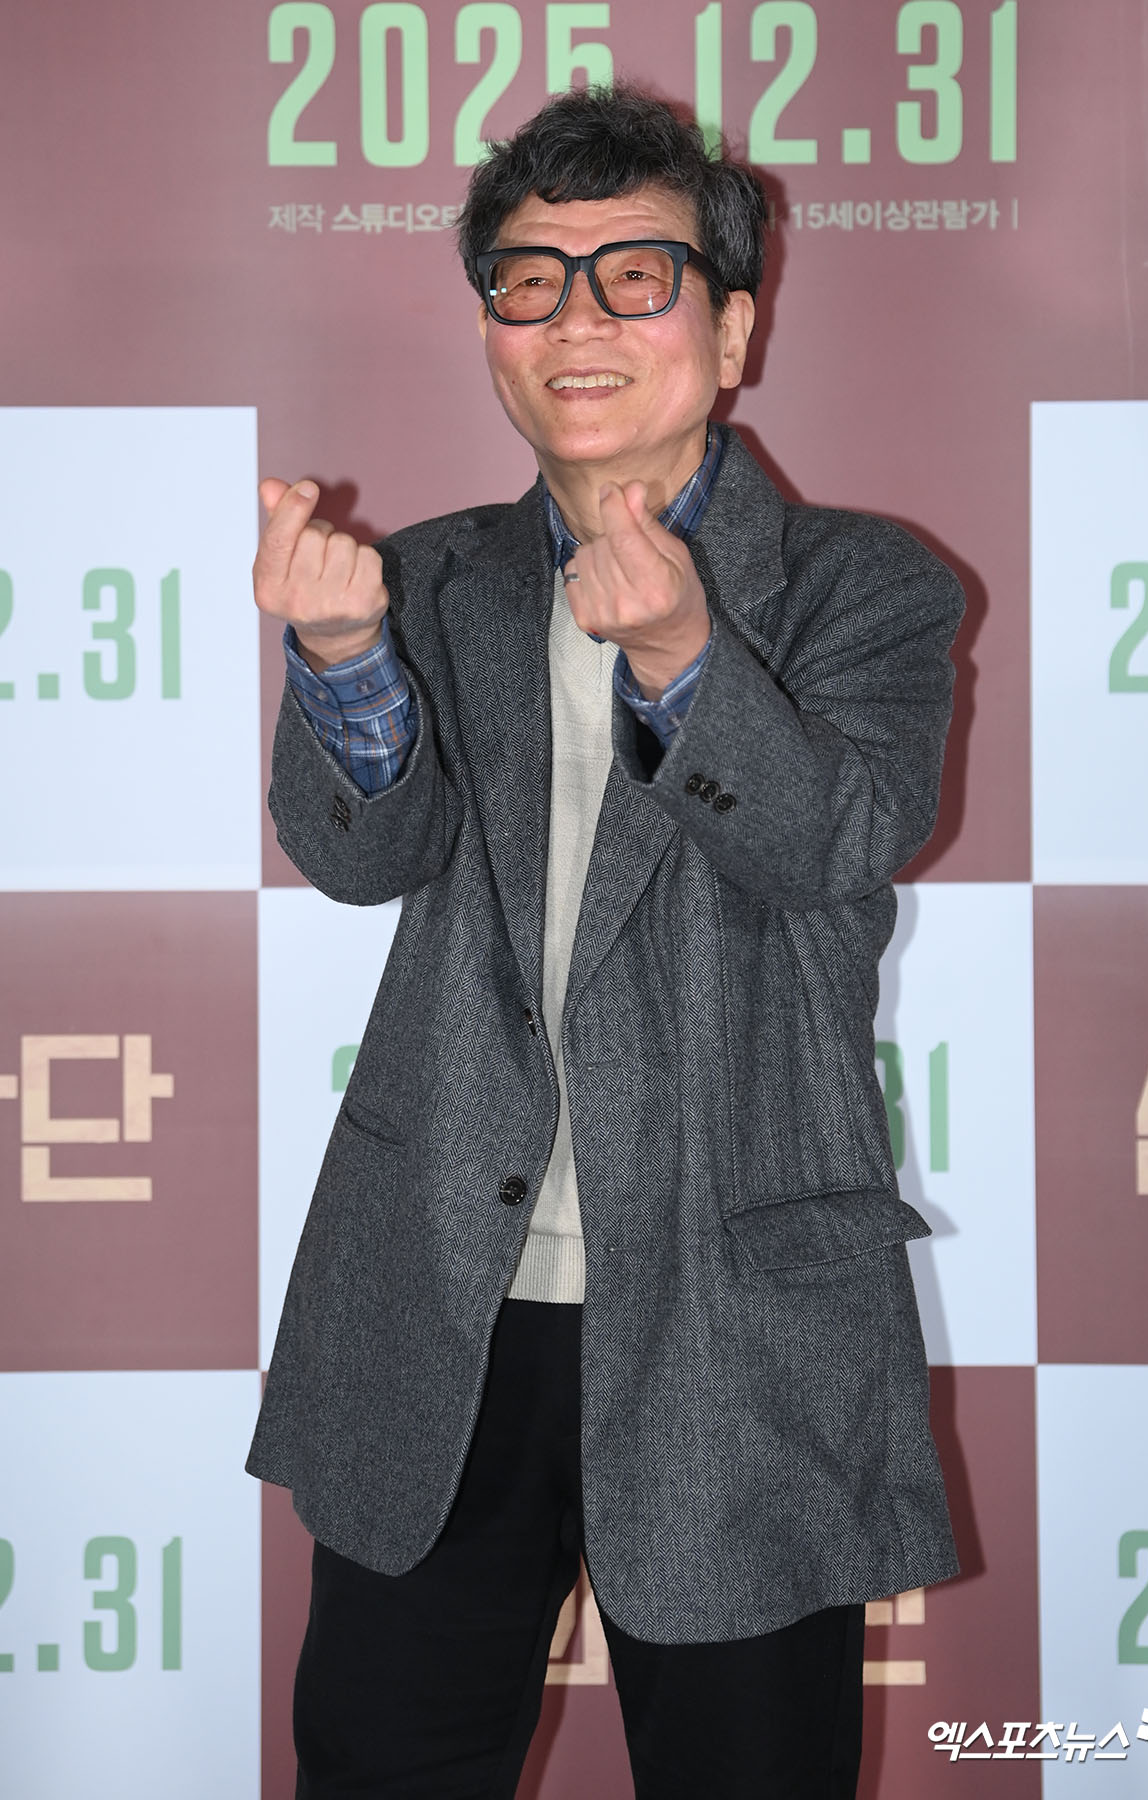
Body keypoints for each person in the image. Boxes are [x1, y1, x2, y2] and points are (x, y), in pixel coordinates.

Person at [248, 85, 963, 1800]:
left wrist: (685, 658)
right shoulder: (420, 584)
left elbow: (835, 841)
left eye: (636, 277)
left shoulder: (866, 586)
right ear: (489, 331)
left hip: (736, 1307)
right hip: (442, 1296)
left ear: (733, 328)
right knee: (380, 1764)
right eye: (529, 280)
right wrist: (343, 665)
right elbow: (360, 858)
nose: (577, 320)